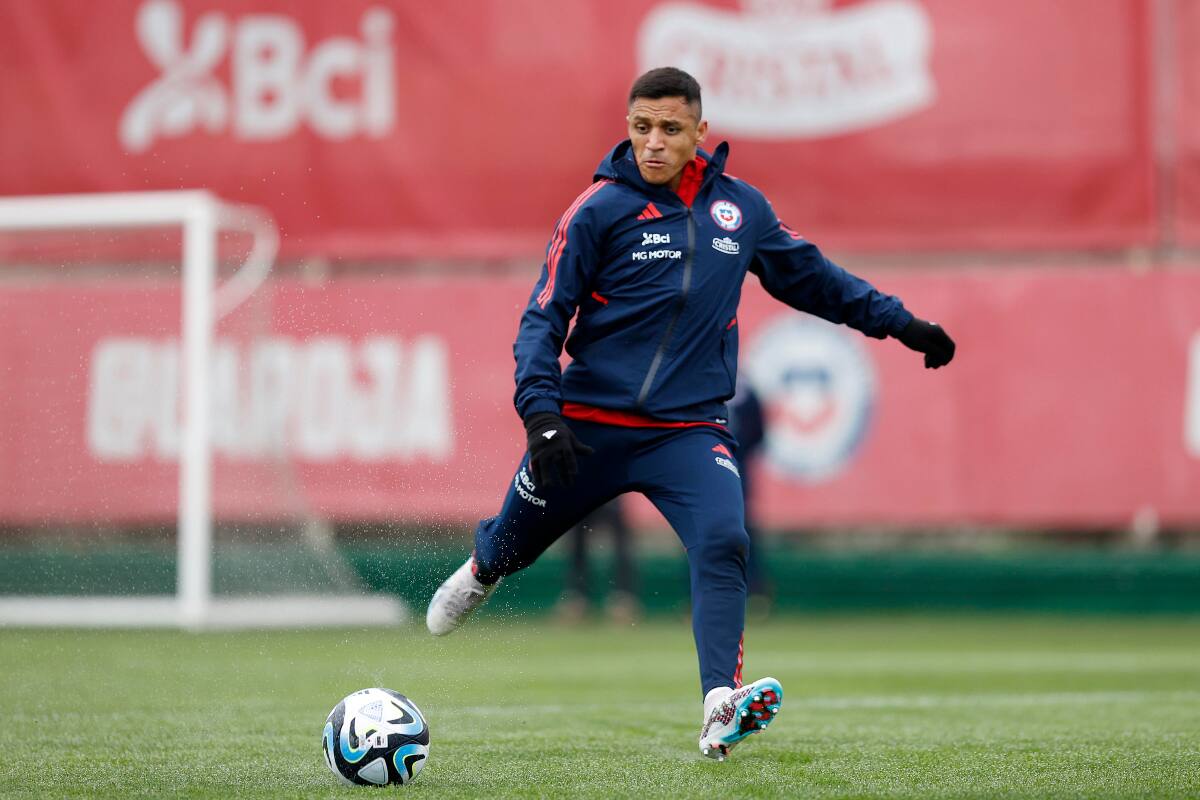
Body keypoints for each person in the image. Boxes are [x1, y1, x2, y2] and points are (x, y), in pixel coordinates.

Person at [425, 67, 956, 760]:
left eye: (670, 129)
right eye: (641, 127)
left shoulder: (740, 211)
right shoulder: (595, 211)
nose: (653, 143)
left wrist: (900, 323)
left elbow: (814, 278)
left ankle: (717, 707)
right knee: (510, 548)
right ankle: (483, 569)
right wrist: (543, 414)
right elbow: (542, 319)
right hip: (586, 427)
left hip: (688, 429)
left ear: (699, 133)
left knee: (724, 541)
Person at [554, 498, 639, 624]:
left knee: (622, 545)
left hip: (609, 490)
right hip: (581, 492)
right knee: (576, 545)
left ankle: (623, 600)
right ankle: (576, 599)